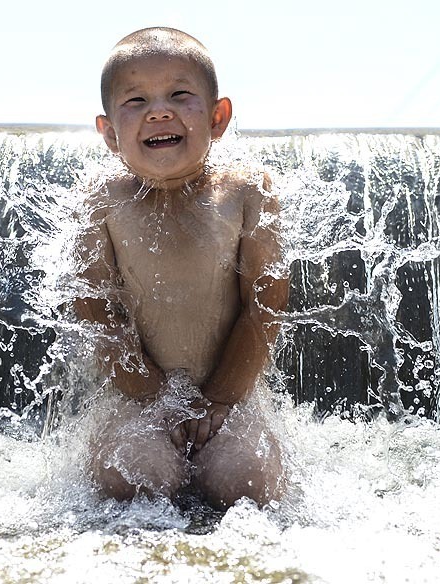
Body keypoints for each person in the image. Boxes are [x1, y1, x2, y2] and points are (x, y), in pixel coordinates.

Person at [74, 27, 288, 510]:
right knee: (134, 476)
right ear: (109, 133)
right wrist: (157, 400)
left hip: (229, 398)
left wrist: (217, 400)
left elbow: (265, 306)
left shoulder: (247, 190)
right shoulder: (101, 198)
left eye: (179, 95)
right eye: (136, 100)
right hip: (137, 399)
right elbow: (94, 311)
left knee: (250, 481)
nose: (159, 110)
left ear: (218, 117)